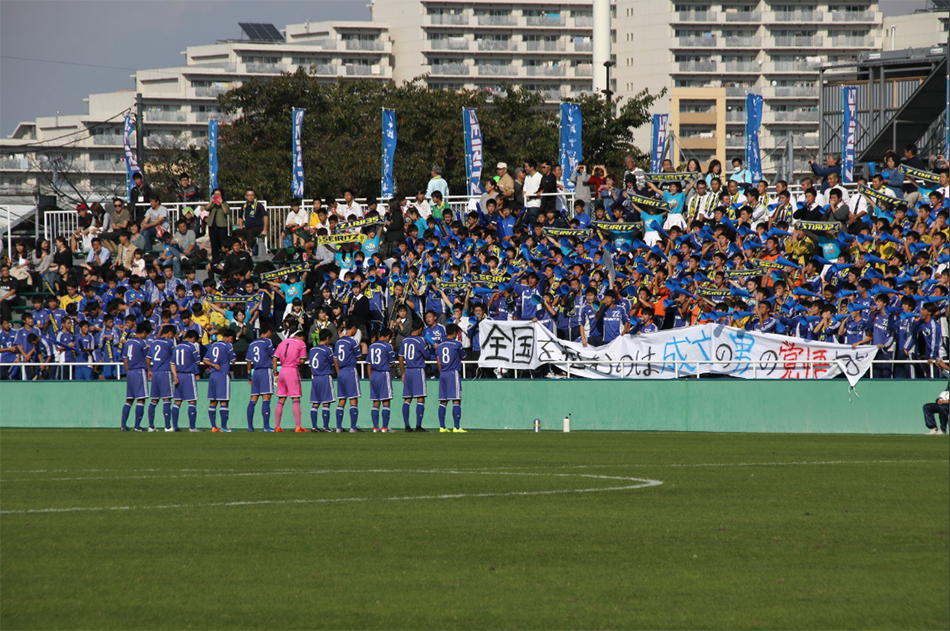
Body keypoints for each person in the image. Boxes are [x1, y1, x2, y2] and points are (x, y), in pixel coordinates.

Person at [271, 326, 308, 432]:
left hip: (282, 371)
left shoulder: (282, 343)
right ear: (301, 337)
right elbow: (301, 361)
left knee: (281, 399)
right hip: (292, 371)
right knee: (295, 399)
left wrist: (275, 374)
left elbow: (274, 359)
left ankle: (277, 426)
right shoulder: (301, 344)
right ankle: (298, 426)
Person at [203, 328, 237, 432]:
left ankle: (214, 427)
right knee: (224, 400)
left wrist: (213, 364)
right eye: (232, 340)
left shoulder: (213, 345)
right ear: (230, 338)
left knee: (213, 401)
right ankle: (223, 427)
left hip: (212, 375)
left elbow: (205, 360)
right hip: (222, 374)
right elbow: (233, 360)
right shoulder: (228, 345)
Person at [399, 317, 429, 432]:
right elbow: (426, 355)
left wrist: (403, 373)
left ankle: (407, 426)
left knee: (407, 399)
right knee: (420, 398)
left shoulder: (404, 340)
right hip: (417, 370)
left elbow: (400, 358)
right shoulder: (420, 340)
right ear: (420, 328)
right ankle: (418, 426)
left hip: (408, 370)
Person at [146, 325, 178, 432]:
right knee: (167, 399)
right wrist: (175, 374)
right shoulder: (169, 343)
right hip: (165, 373)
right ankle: (168, 427)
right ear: (169, 333)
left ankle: (151, 426)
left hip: (155, 373)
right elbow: (174, 358)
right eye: (172, 335)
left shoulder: (154, 343)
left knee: (154, 400)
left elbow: (148, 358)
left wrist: (149, 370)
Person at [436, 323, 466, 433]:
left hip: (443, 373)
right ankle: (456, 427)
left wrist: (441, 372)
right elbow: (463, 356)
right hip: (453, 373)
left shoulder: (440, 346)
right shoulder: (457, 344)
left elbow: (438, 360)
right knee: (456, 400)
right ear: (454, 333)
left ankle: (442, 427)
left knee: (443, 401)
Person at [120, 323, 151, 431]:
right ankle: (137, 426)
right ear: (144, 333)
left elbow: (125, 359)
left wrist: (128, 372)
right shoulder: (142, 342)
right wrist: (149, 370)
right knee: (141, 399)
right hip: (139, 371)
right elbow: (147, 357)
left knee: (129, 399)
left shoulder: (128, 343)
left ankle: (123, 425)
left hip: (130, 372)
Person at [334, 318, 363, 432]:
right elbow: (359, 356)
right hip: (350, 371)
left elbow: (335, 358)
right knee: (353, 399)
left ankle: (338, 427)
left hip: (341, 372)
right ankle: (353, 427)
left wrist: (338, 371)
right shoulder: (352, 341)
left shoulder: (338, 341)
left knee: (341, 400)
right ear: (354, 328)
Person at [246, 325, 276, 431]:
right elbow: (274, 356)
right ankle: (266, 427)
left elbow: (248, 360)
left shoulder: (252, 343)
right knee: (266, 398)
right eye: (271, 333)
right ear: (267, 332)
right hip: (265, 370)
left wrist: (249, 374)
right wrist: (275, 371)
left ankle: (250, 427)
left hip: (255, 372)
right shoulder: (267, 342)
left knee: (253, 399)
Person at [367, 328, 397, 432]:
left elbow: (369, 364)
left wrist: (370, 379)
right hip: (384, 374)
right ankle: (385, 427)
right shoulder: (388, 346)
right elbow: (392, 362)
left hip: (374, 374)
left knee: (376, 402)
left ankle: (375, 427)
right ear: (388, 337)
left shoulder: (371, 346)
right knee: (386, 401)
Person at [172, 330, 202, 432]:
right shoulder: (191, 347)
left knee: (177, 401)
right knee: (192, 401)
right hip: (188, 375)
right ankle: (192, 427)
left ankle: (175, 426)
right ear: (193, 338)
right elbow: (197, 361)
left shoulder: (177, 347)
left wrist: (175, 375)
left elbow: (172, 363)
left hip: (178, 375)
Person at [308, 328, 336, 432]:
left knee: (315, 403)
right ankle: (326, 427)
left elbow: (311, 365)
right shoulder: (327, 350)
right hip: (325, 377)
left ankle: (314, 426)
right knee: (326, 402)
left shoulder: (312, 350)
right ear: (327, 338)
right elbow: (332, 363)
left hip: (315, 377)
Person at [922, 358, 948, 435]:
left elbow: (946, 368)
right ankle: (934, 429)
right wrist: (937, 363)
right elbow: (944, 371)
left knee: (943, 407)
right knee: (927, 407)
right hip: (945, 402)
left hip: (947, 403)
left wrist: (946, 366)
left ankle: (943, 430)